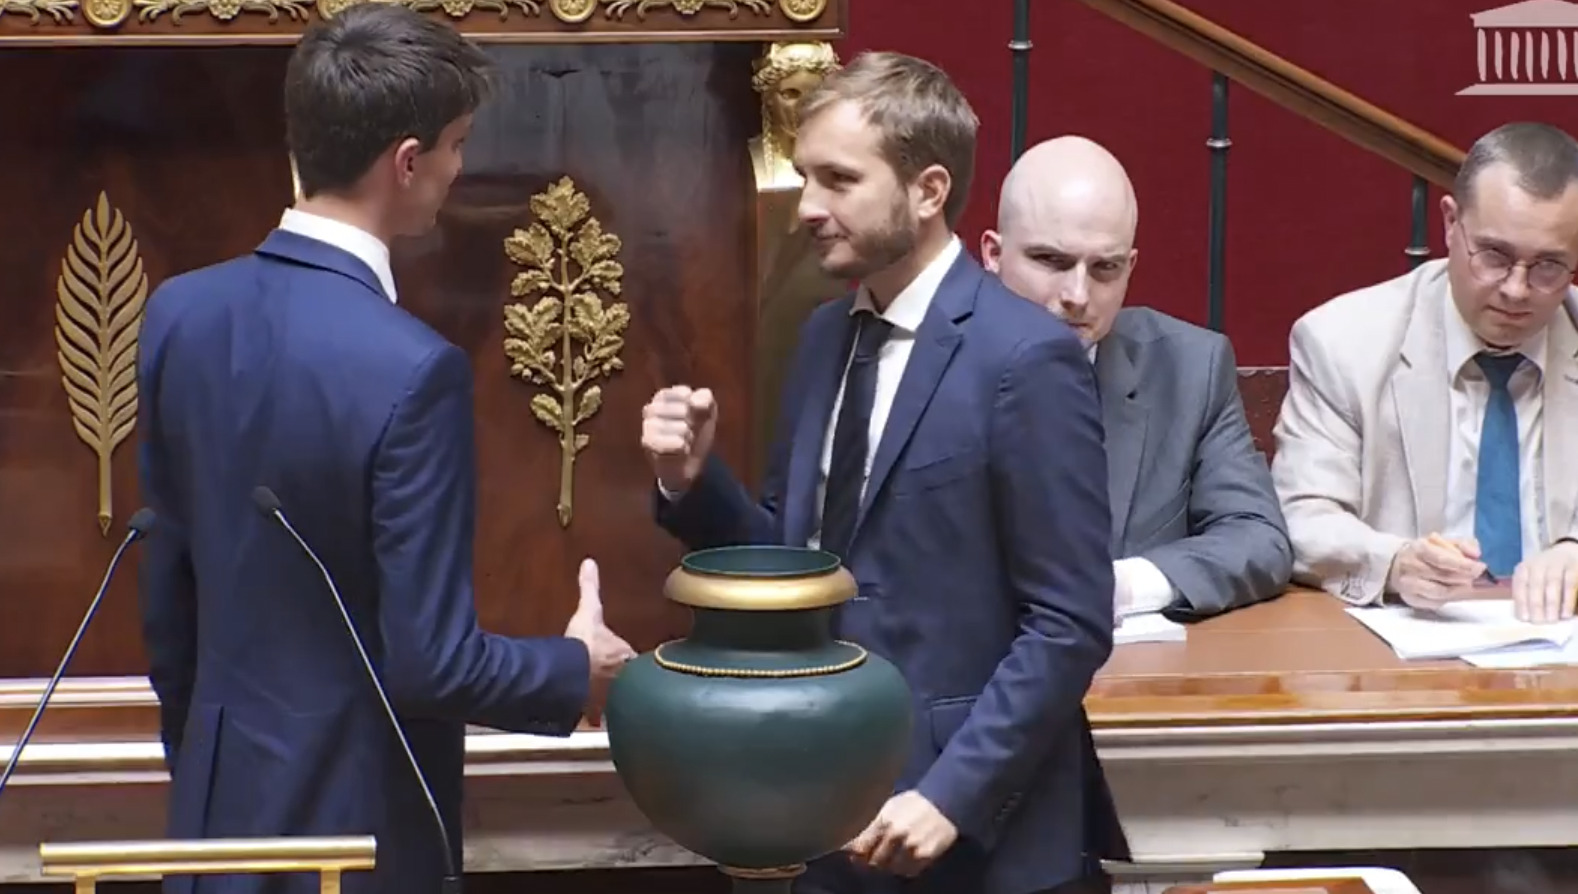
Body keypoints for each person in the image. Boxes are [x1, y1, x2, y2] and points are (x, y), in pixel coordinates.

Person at [135, 7, 634, 894]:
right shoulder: (415, 370)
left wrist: (207, 781)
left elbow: (169, 607)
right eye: (455, 145)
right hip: (356, 842)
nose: (457, 168)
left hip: (212, 829)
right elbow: (433, 660)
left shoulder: (179, 314)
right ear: (407, 162)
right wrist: (575, 671)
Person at [640, 51, 1126, 894]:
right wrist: (692, 479)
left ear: (928, 191)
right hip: (830, 805)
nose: (809, 209)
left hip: (976, 839)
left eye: (838, 180)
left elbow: (1068, 622)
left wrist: (951, 796)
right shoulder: (825, 338)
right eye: (805, 177)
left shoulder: (1026, 358)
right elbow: (803, 571)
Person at [1271, 121, 1578, 623]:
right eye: (1495, 256)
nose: (1516, 290)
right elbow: (1300, 514)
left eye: (1548, 266)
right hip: (1402, 658)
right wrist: (1394, 562)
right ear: (1450, 223)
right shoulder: (1343, 343)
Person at [980, 135, 1291, 621]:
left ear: (1131, 267)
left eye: (1105, 268)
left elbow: (1258, 537)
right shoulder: (929, 364)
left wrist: (1120, 587)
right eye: (1052, 261)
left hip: (1136, 678)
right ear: (994, 255)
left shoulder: (1191, 367)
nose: (1078, 294)